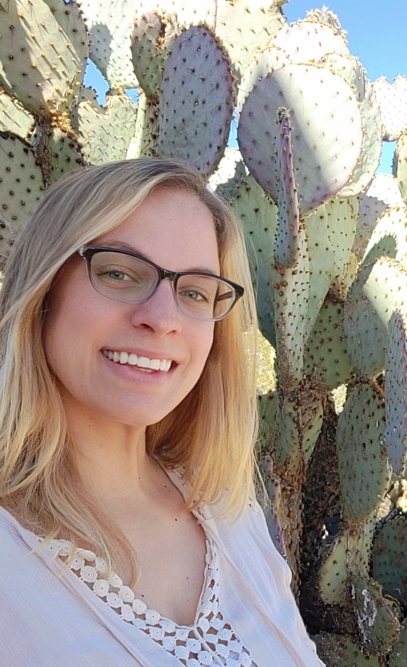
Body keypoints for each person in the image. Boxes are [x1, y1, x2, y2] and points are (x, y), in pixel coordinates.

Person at [0, 158, 323, 666]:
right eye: (119, 273)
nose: (163, 319)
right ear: (44, 292)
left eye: (194, 291)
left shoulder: (231, 512)